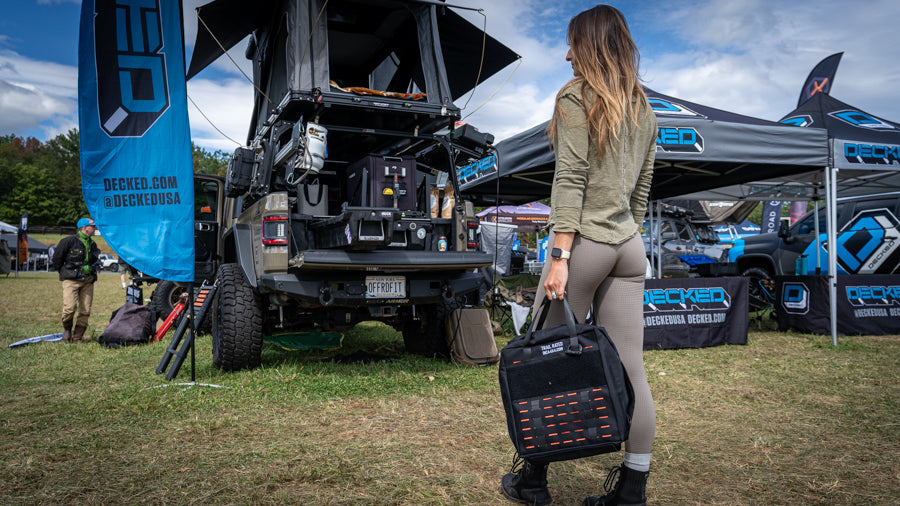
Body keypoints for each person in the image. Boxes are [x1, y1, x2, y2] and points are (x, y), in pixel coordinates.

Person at [500, 6, 657, 506]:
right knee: (632, 368)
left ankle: (534, 481)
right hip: (629, 247)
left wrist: (560, 252)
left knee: (544, 364)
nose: (567, 54)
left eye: (572, 44)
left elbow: (569, 178)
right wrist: (627, 231)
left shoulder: (575, 97)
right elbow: (642, 189)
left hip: (584, 243)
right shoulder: (644, 108)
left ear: (589, 45)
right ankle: (632, 490)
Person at [52, 217, 100, 342]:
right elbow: (57, 259)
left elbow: (94, 261)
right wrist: (65, 273)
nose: (95, 229)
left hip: (88, 281)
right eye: (93, 227)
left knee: (85, 310)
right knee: (69, 308)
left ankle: (77, 337)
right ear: (84, 228)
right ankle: (67, 330)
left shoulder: (93, 244)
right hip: (71, 280)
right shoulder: (68, 241)